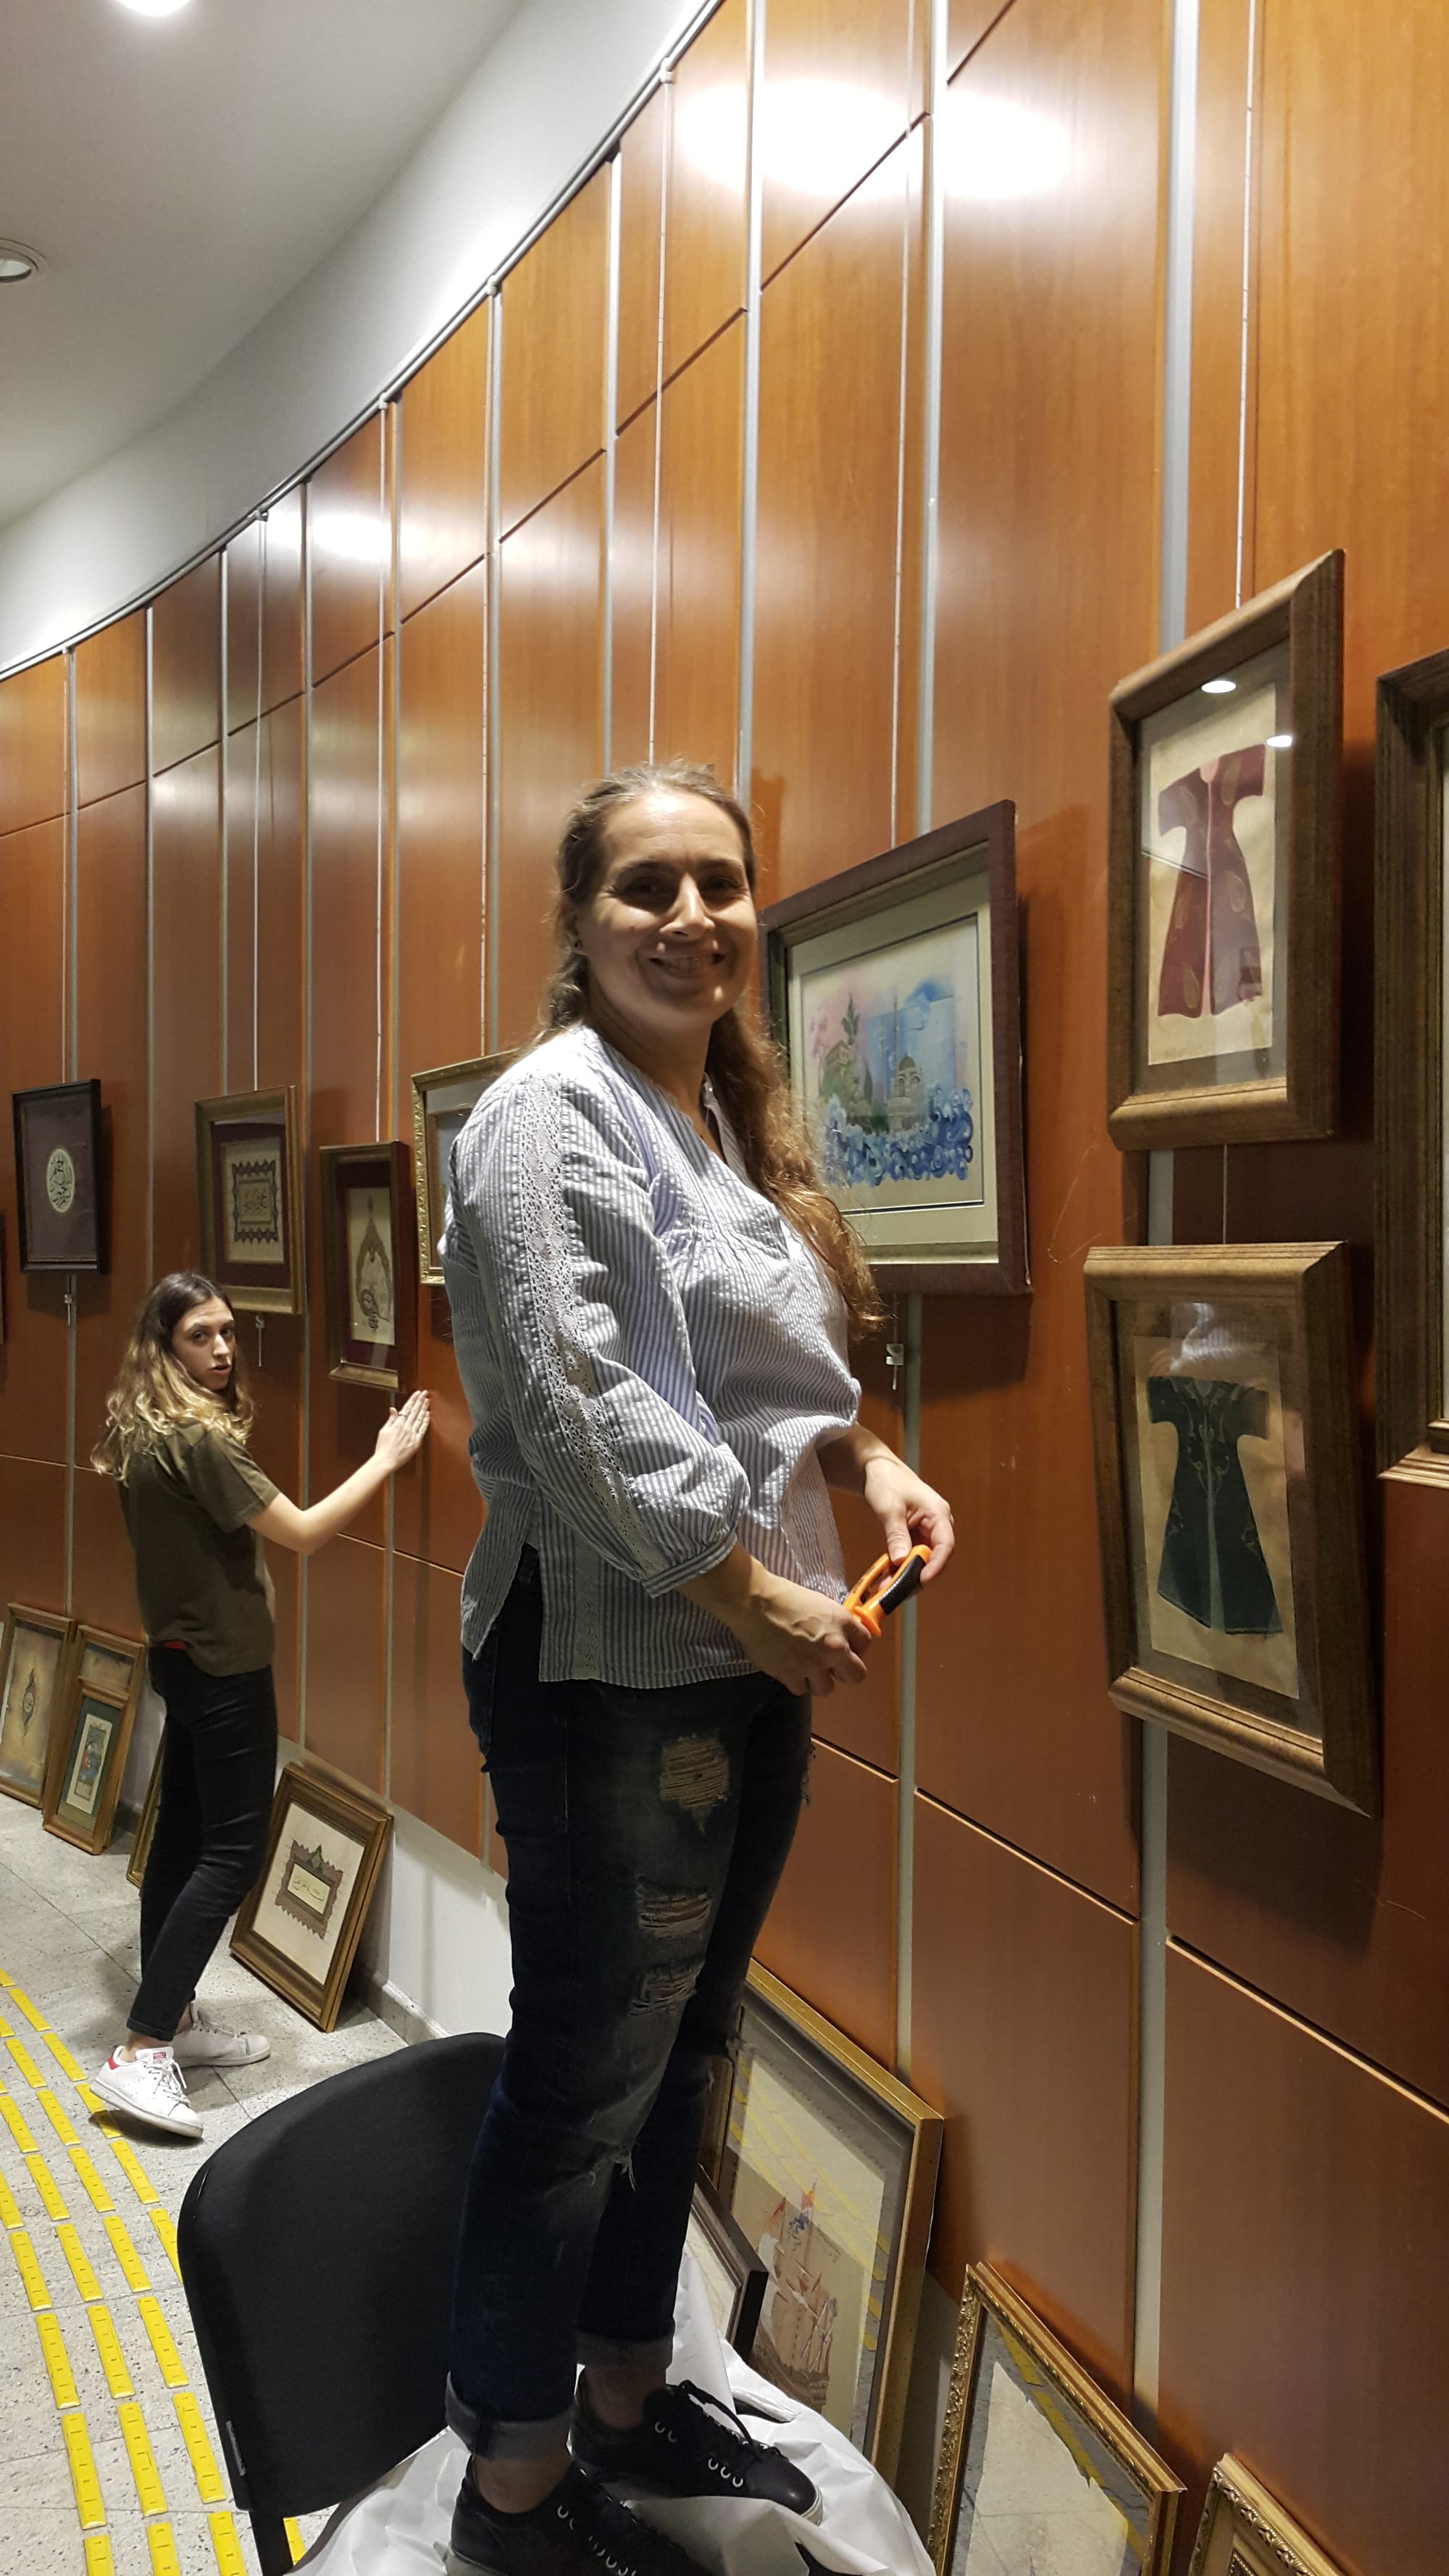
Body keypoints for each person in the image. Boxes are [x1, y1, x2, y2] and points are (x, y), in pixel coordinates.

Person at [442, 763, 954, 2576]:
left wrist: (866, 1464)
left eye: (718, 883)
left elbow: (759, 1382)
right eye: (645, 886)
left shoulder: (719, 1115)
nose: (689, 917)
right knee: (585, 2073)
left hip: (742, 1654)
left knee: (685, 2047)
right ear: (577, 924)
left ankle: (622, 2391)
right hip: (610, 1669)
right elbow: (585, 1414)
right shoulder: (543, 1120)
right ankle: (512, 2490)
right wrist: (756, 1598)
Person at [90, 1271, 429, 2138]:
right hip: (224, 1668)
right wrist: (385, 1458)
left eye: (228, 1333)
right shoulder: (201, 1440)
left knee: (180, 1842)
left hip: (179, 1658)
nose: (222, 1350)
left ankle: (172, 2018)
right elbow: (305, 1532)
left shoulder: (143, 1427)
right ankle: (143, 2045)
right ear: (164, 1345)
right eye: (200, 1335)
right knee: (235, 1856)